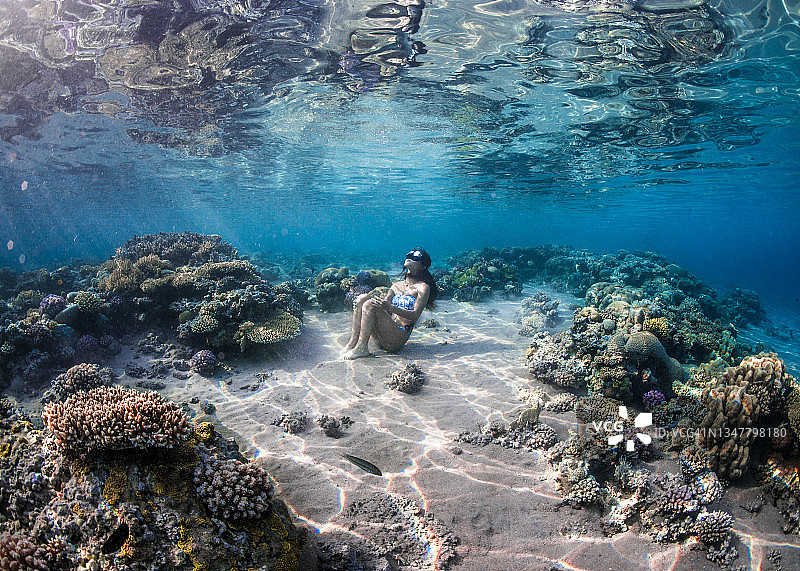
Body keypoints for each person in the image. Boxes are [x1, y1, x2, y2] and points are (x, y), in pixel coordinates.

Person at [342, 248, 438, 359]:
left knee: (370, 304)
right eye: (409, 255)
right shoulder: (396, 285)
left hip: (397, 337)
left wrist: (390, 307)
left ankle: (362, 347)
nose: (410, 258)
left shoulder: (423, 288)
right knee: (363, 298)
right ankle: (352, 343)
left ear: (423, 266)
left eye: (415, 257)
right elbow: (385, 303)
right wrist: (363, 303)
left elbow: (415, 314)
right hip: (382, 334)